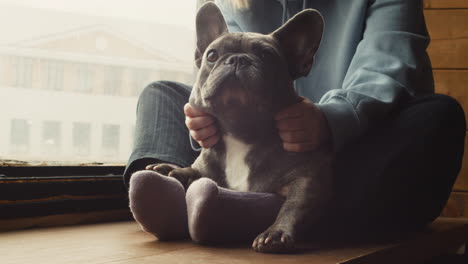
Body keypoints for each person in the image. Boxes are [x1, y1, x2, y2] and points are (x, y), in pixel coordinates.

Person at [124, 0, 466, 243]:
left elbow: (389, 64)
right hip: (245, 146)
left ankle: (270, 213)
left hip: (347, 150)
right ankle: (167, 199)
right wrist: (200, 115)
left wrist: (330, 117)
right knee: (161, 93)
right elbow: (226, 63)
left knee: (439, 115)